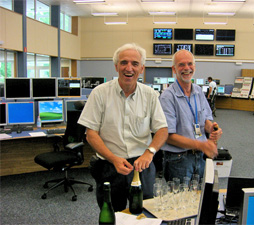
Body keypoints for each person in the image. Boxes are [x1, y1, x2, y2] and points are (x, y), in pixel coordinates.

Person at [78, 43, 168, 212]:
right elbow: (91, 134)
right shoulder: (100, 93)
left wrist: (149, 152)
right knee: (112, 213)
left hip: (142, 165)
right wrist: (113, 159)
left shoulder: (150, 95)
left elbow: (162, 130)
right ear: (116, 66)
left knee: (146, 213)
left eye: (135, 64)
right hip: (109, 165)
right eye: (124, 62)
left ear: (141, 68)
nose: (129, 68)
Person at [159, 49, 223, 183]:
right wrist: (201, 145)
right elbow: (168, 136)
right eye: (181, 65)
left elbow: (205, 119)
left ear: (194, 66)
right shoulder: (167, 97)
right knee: (180, 202)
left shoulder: (198, 91)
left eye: (190, 64)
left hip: (199, 157)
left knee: (199, 199)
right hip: (178, 159)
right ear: (174, 69)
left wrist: (212, 128)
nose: (186, 68)